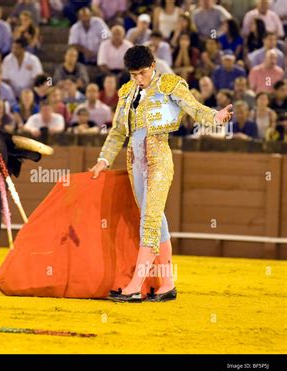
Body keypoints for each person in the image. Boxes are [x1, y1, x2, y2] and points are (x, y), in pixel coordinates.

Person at [90, 45, 232, 302]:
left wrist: (217, 117)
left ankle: (135, 286)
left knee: (150, 221)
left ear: (153, 65)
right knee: (155, 219)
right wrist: (103, 160)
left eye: (142, 73)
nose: (138, 79)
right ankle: (167, 284)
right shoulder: (126, 93)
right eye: (133, 74)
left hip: (159, 162)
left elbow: (195, 109)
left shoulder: (170, 85)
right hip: (135, 164)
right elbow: (118, 132)